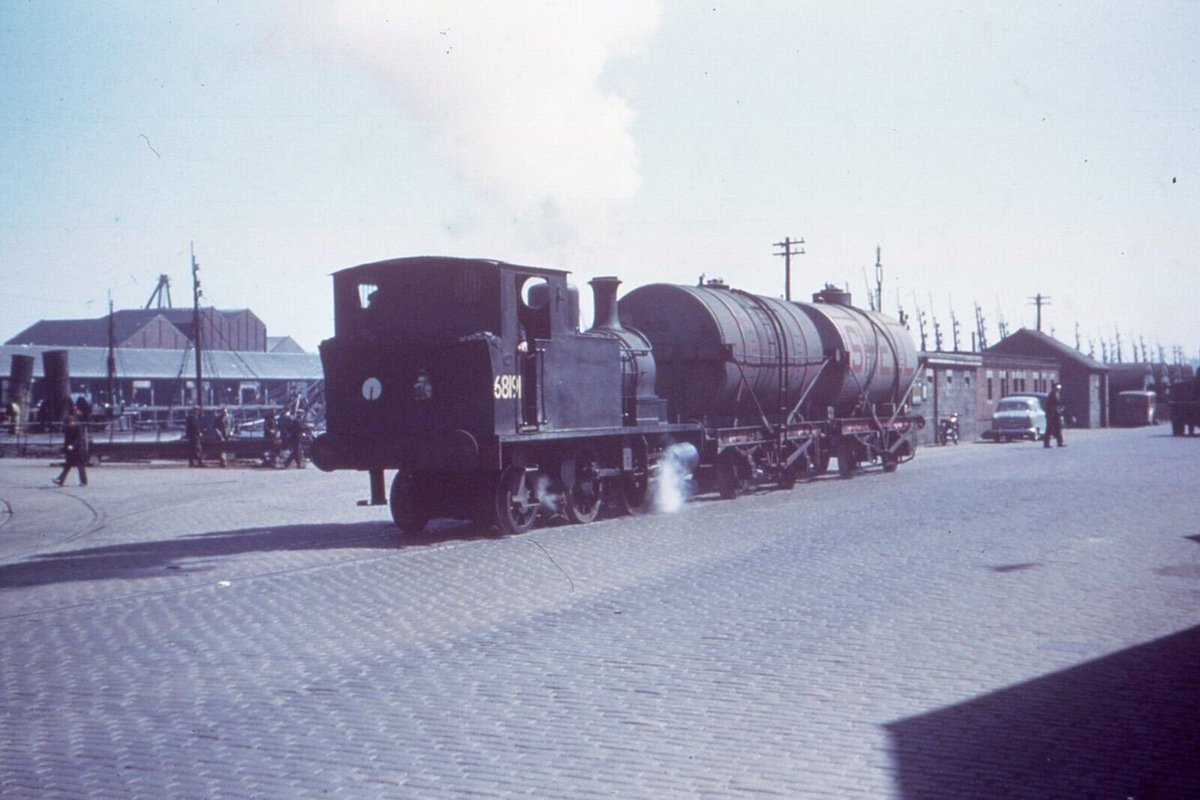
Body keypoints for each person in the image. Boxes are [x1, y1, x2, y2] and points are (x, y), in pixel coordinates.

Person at [53, 414, 89, 486]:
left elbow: (78, 439)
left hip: (78, 450)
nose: (67, 425)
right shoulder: (67, 428)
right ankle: (60, 480)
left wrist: (72, 445)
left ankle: (84, 481)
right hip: (70, 450)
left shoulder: (78, 428)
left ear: (72, 422)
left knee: (80, 466)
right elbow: (67, 440)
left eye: (68, 423)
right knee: (67, 466)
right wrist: (65, 448)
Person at [1043, 383, 1065, 448]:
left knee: (1056, 429)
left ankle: (1059, 442)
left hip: (1053, 415)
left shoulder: (1054, 395)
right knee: (1050, 429)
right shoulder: (1052, 395)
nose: (1058, 390)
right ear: (1054, 388)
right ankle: (1048, 443)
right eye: (1057, 388)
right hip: (1052, 415)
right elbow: (1053, 406)